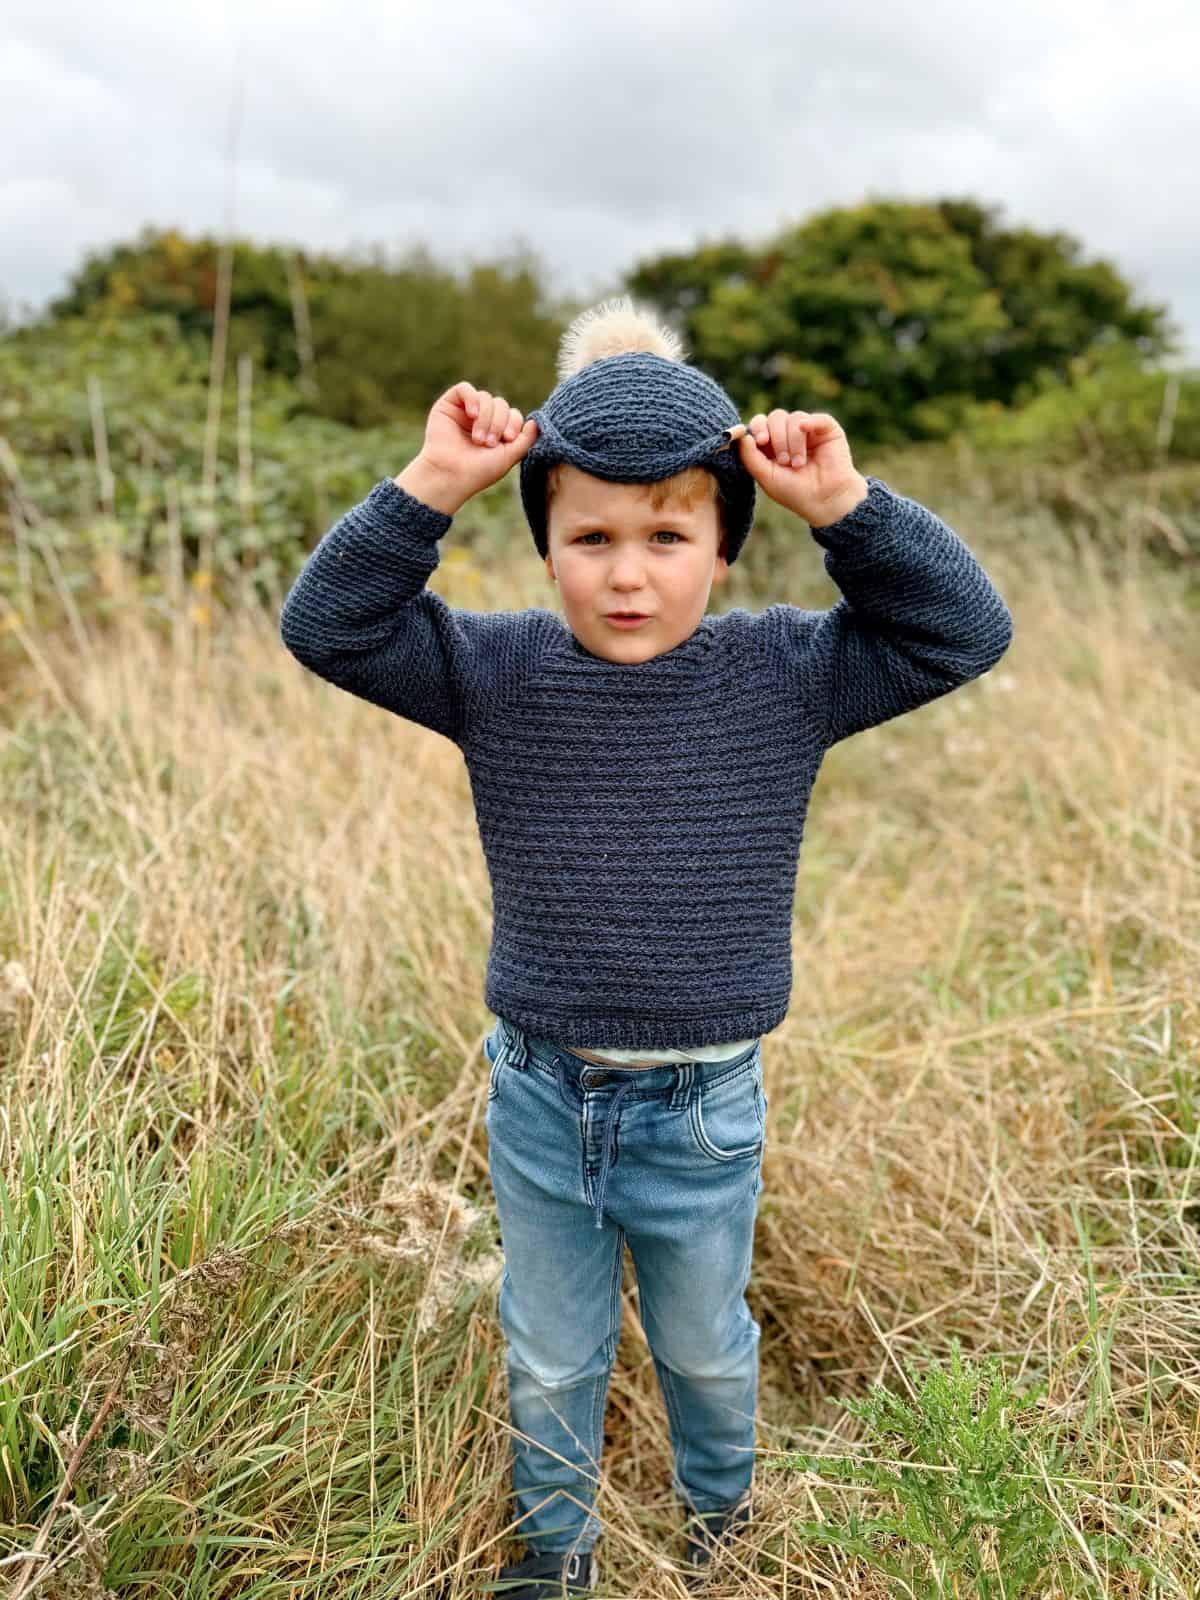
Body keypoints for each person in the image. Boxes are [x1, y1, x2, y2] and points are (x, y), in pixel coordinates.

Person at [278, 296, 1014, 1597]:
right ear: (545, 544)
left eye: (670, 535)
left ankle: (725, 1540)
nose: (629, 573)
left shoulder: (788, 675)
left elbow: (964, 631)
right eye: (592, 537)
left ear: (725, 547)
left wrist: (845, 506)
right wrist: (432, 486)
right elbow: (327, 626)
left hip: (705, 1109)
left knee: (706, 1350)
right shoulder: (492, 672)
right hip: (542, 1099)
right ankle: (553, 1562)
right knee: (552, 1353)